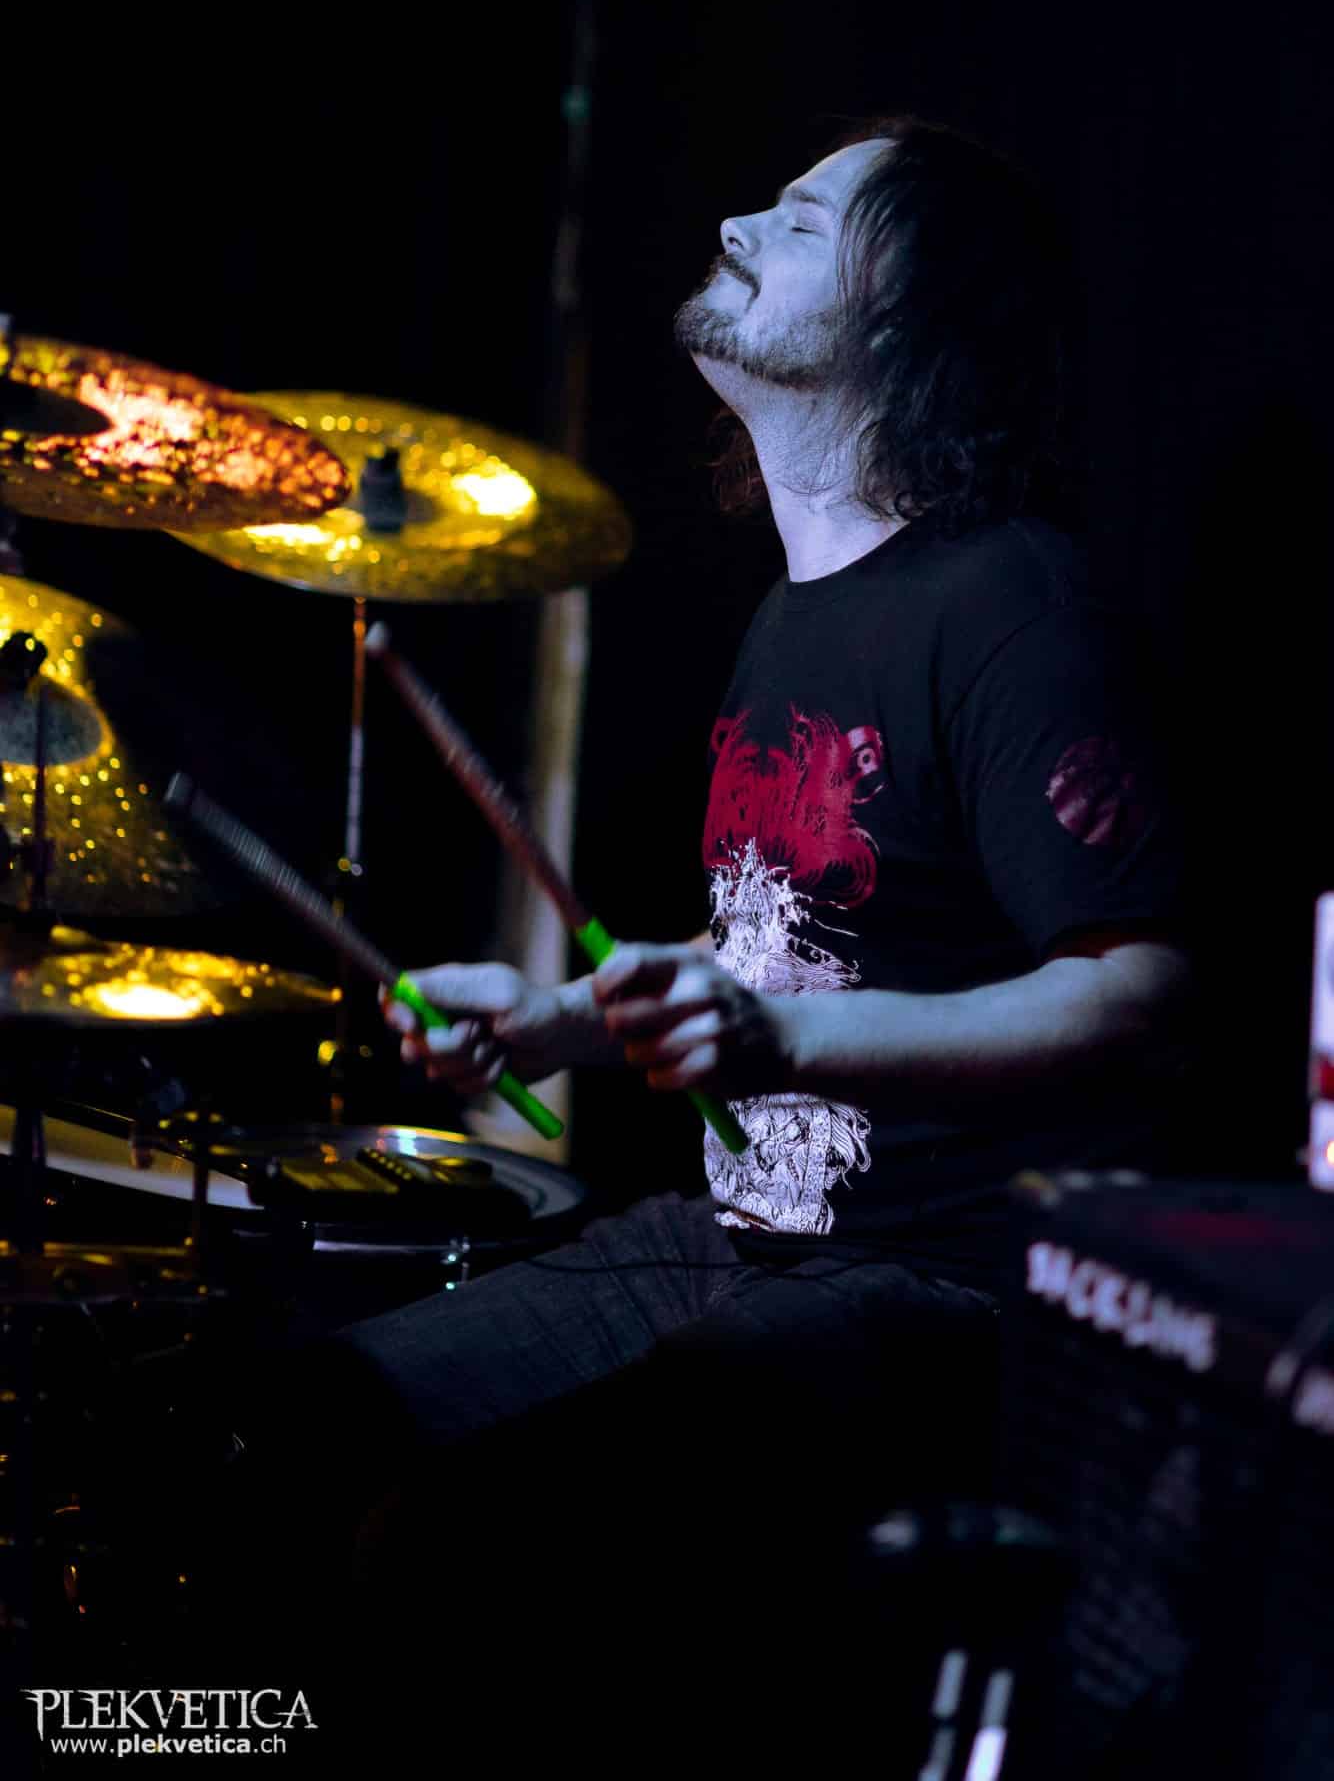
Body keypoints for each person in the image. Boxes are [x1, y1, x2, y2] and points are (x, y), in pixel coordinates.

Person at [214, 117, 1192, 1723]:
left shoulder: (1014, 609)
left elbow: (1135, 991)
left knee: (473, 1550)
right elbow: (774, 962)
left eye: (800, 223)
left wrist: (775, 1033)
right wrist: (553, 1025)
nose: (736, 221)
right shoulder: (793, 617)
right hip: (733, 1241)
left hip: (937, 1290)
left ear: (904, 317)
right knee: (292, 1430)